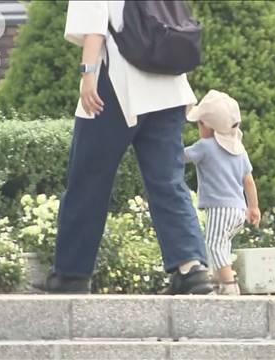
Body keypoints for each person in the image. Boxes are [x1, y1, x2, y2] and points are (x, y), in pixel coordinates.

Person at [40, 1, 213, 295]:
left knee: (88, 180)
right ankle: (191, 267)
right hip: (168, 85)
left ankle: (72, 274)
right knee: (168, 181)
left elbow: (95, 28)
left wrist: (87, 74)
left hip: (118, 85)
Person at [184, 90, 260, 295]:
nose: (198, 128)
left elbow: (181, 157)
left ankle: (229, 285)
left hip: (219, 208)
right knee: (223, 245)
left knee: (214, 244)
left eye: (199, 124)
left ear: (208, 127)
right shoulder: (239, 150)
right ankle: (220, 281)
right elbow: (249, 182)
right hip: (239, 210)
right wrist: (254, 207)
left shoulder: (205, 147)